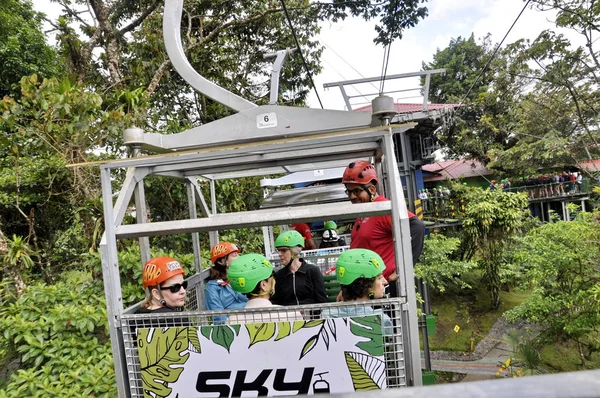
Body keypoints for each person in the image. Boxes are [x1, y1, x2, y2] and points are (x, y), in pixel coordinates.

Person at [342, 160, 426, 298]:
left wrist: (403, 269)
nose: (352, 196)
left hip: (382, 291)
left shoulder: (382, 208)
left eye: (356, 191)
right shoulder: (364, 212)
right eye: (349, 192)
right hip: (364, 291)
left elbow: (417, 227)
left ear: (372, 189)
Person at [322, 249, 392, 334]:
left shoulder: (326, 316)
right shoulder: (382, 320)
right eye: (380, 277)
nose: (385, 281)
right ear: (367, 285)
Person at [227, 253, 302, 324]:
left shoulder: (232, 320)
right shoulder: (290, 314)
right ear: (263, 285)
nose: (274, 281)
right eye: (271, 277)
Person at [271, 230, 328, 306]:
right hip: (289, 316)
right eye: (279, 250)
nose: (279, 254)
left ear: (295, 252)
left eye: (283, 250)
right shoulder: (279, 275)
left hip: (312, 316)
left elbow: (322, 300)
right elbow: (276, 302)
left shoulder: (312, 271)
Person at [205, 242, 248, 324]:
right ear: (222, 261)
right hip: (233, 326)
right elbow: (218, 317)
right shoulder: (212, 287)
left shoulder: (243, 277)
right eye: (235, 255)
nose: (239, 258)